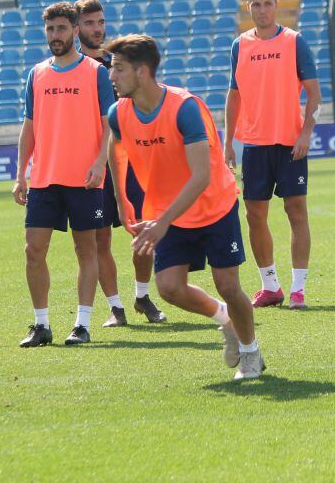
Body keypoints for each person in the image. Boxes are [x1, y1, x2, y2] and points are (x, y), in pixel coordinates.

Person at [106, 34, 264, 380]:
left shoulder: (185, 108)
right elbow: (115, 149)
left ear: (142, 71)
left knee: (228, 284)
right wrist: (122, 200)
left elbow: (202, 176)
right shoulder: (118, 113)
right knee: (169, 288)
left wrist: (161, 222)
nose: (111, 77)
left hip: (212, 205)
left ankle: (252, 352)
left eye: (118, 69)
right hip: (168, 212)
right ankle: (228, 322)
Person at [13, 2, 114, 347]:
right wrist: (20, 175)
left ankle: (81, 324)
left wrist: (101, 161)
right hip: (44, 178)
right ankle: (41, 325)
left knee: (86, 251)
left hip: (84, 178)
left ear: (74, 30)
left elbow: (108, 126)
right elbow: (28, 128)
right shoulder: (37, 73)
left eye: (61, 29)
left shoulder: (96, 72)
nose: (55, 36)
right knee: (33, 250)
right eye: (50, 30)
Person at [224, 0, 320, 309]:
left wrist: (306, 133)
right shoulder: (239, 46)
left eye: (267, 3)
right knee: (254, 215)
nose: (261, 10)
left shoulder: (294, 42)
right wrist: (227, 143)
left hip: (291, 145)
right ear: (247, 7)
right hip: (254, 145)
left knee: (296, 212)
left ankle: (298, 289)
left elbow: (314, 94)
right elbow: (233, 96)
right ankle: (270, 286)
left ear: (276, 5)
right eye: (255, 4)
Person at [75, 0, 166, 326]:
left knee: (144, 230)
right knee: (101, 238)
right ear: (76, 28)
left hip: (134, 159)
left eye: (100, 22)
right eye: (89, 23)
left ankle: (142, 296)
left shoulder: (119, 61)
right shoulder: (73, 69)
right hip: (96, 164)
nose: (97, 29)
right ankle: (116, 308)